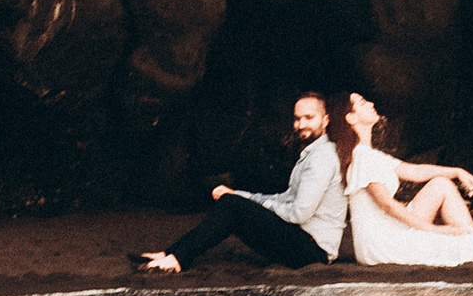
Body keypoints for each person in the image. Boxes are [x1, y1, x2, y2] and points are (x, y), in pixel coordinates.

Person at [334, 91, 473, 267]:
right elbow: (388, 205)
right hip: (383, 245)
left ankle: (472, 245)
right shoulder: (362, 158)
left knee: (441, 184)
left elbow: (415, 172)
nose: (371, 103)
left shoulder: (371, 155)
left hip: (388, 232)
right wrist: (433, 230)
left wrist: (456, 171)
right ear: (350, 118)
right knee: (460, 241)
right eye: (362, 103)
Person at [133, 91, 346, 272]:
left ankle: (176, 259)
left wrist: (249, 204)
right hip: (302, 241)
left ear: (325, 120)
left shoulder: (322, 158)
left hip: (313, 252)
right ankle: (171, 253)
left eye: (309, 118)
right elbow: (285, 198)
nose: (301, 124)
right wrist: (239, 195)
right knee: (232, 202)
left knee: (232, 207)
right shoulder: (312, 154)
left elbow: (298, 214)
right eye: (297, 118)